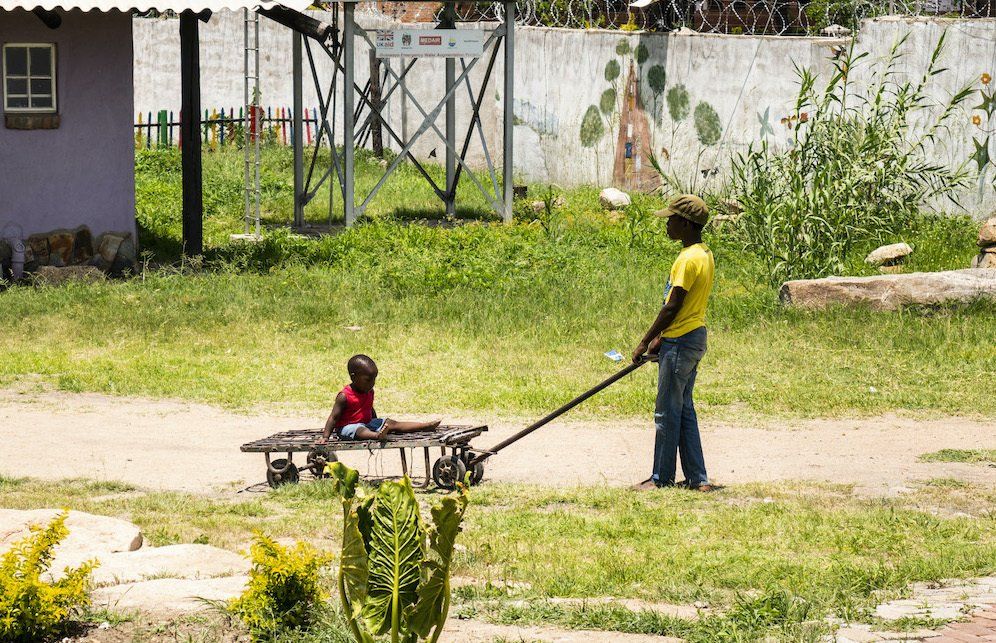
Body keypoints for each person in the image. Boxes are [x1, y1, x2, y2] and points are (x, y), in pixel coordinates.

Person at [631, 194, 716, 492]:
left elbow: (672, 306)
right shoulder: (704, 253)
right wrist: (659, 338)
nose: (667, 224)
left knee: (667, 410)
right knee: (684, 409)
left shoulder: (686, 259)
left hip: (680, 341)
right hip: (693, 336)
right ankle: (698, 479)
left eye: (671, 219)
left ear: (685, 223)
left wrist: (644, 341)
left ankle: (661, 478)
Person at [316, 354, 441, 443]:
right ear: (353, 378)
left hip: (367, 423)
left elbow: (369, 408)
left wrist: (376, 422)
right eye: (368, 380)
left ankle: (424, 426)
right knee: (359, 430)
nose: (372, 383)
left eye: (374, 379)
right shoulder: (344, 396)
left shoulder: (369, 391)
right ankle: (377, 436)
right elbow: (334, 417)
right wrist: (325, 437)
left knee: (391, 422)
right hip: (348, 428)